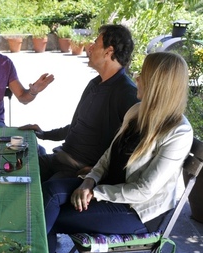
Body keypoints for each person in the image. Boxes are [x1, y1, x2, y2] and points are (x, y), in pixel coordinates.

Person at [43, 52, 193, 253]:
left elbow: (144, 190)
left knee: (49, 214)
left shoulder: (178, 132)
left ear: (158, 84)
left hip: (136, 212)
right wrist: (89, 181)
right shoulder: (136, 111)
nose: (137, 77)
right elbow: (108, 156)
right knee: (49, 191)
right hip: (108, 188)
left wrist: (96, 193)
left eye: (143, 75)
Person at [19, 24, 139, 182]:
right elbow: (77, 126)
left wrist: (100, 173)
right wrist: (44, 134)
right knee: (17, 172)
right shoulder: (95, 83)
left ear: (109, 52)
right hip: (61, 158)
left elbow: (133, 148)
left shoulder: (127, 93)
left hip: (81, 171)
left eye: (95, 44)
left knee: (47, 195)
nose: (90, 47)